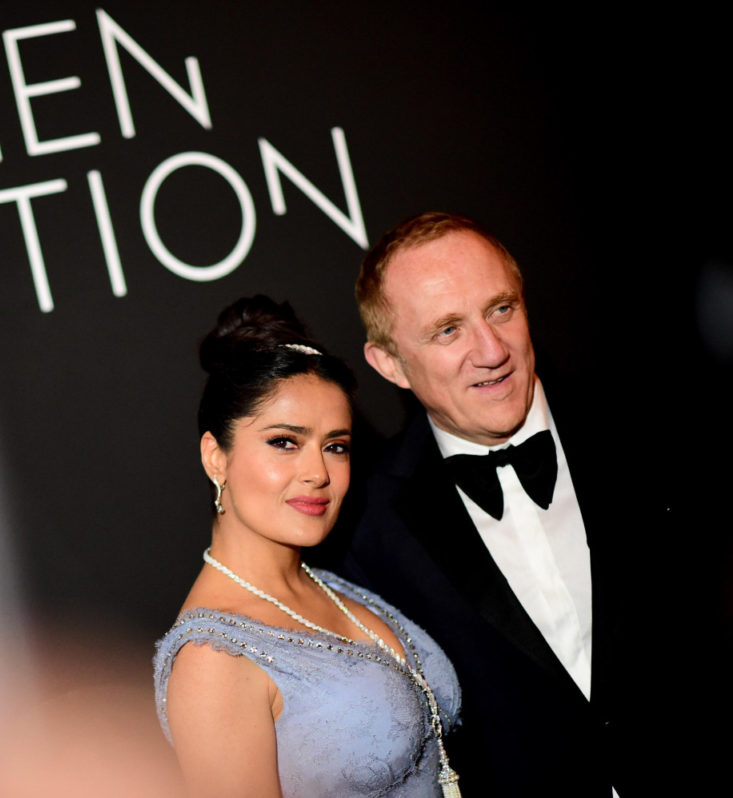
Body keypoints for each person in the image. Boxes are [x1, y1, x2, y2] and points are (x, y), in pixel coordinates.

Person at [343, 213, 643, 797]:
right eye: (448, 330)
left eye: (501, 309)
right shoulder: (368, 526)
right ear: (390, 364)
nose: (491, 350)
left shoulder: (643, 428)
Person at [153, 296, 463, 798]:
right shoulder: (213, 661)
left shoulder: (332, 583)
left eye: (335, 446)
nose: (318, 473)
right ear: (216, 457)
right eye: (284, 442)